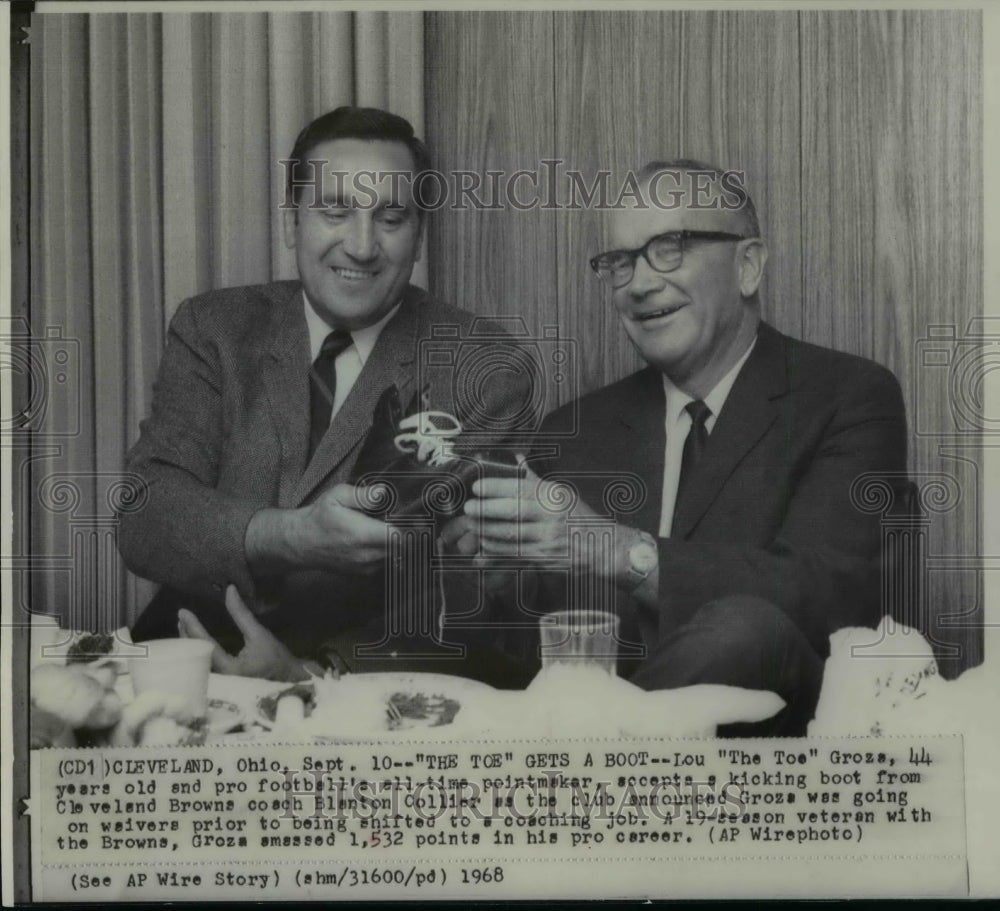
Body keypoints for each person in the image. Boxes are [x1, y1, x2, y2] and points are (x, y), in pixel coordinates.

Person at [454, 160, 908, 734]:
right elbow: (533, 668)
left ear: (748, 266)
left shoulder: (848, 397)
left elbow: (832, 598)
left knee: (745, 629)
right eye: (620, 262)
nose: (640, 284)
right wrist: (489, 585)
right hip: (598, 775)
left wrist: (618, 551)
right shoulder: (575, 430)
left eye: (669, 247)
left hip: (778, 764)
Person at [120, 107, 532, 685]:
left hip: (366, 695)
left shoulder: (483, 366)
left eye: (391, 218)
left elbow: (463, 586)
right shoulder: (213, 327)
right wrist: (289, 535)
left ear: (419, 236)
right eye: (334, 211)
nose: (361, 246)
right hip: (186, 666)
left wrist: (313, 673)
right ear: (292, 224)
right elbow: (147, 514)